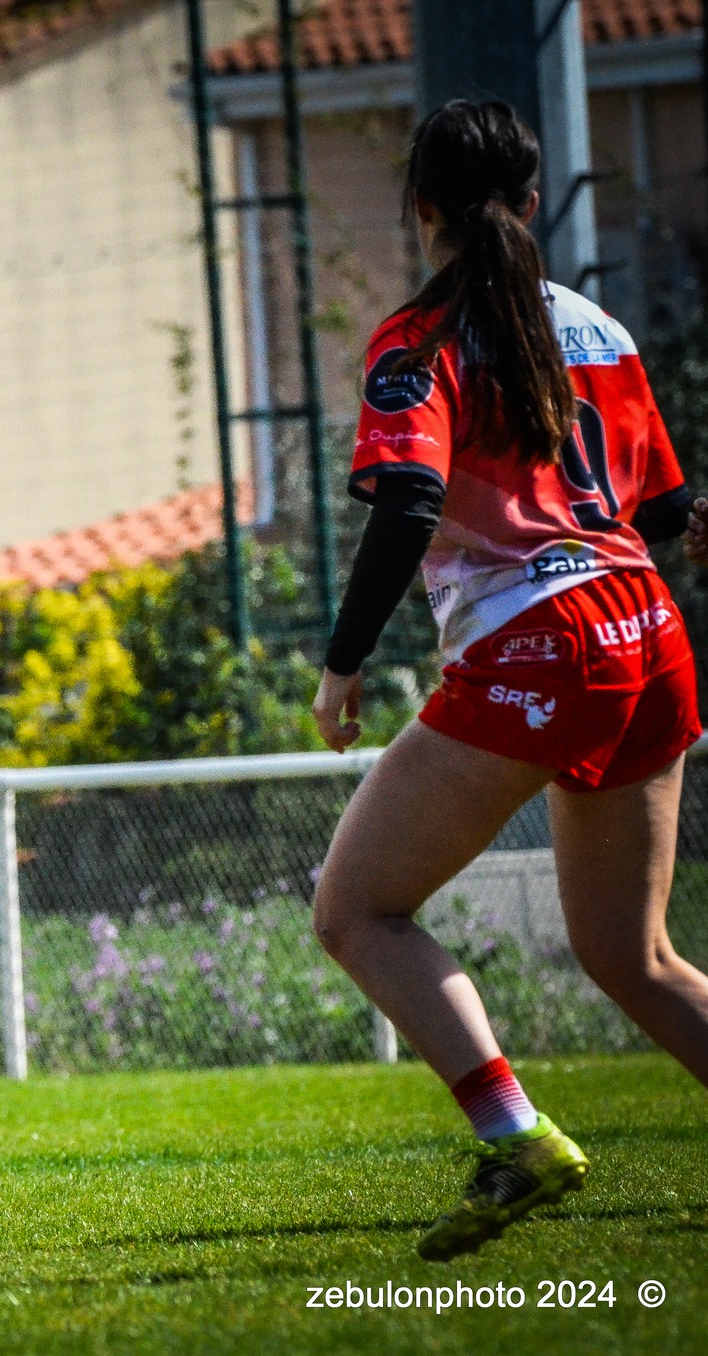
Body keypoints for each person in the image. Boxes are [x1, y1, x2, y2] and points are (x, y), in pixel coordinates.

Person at [311, 99, 708, 1262]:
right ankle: (514, 1137)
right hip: (647, 629)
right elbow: (660, 509)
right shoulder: (594, 327)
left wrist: (341, 662)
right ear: (531, 202)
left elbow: (409, 502)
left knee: (354, 910)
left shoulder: (417, 340)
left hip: (541, 642)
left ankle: (514, 1137)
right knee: (630, 955)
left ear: (418, 207)